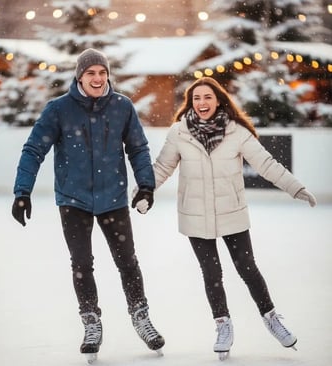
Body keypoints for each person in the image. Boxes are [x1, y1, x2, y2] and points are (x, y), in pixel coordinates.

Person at [134, 77, 316, 360]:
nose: (202, 103)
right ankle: (223, 325)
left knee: (247, 267)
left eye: (207, 97)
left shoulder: (237, 132)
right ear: (190, 103)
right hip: (194, 215)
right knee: (211, 272)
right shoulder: (179, 132)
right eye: (196, 98)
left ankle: (271, 318)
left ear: (218, 100)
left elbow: (266, 164)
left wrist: (297, 188)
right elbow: (162, 167)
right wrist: (143, 192)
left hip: (231, 211)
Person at [11, 48, 164, 363]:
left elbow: (138, 148)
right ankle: (91, 322)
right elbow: (33, 150)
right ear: (79, 76)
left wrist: (146, 185)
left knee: (128, 262)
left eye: (102, 72)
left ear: (108, 75)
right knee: (82, 263)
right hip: (73, 199)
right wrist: (22, 191)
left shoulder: (122, 107)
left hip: (113, 198)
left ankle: (141, 316)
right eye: (91, 73)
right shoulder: (59, 110)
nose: (97, 78)